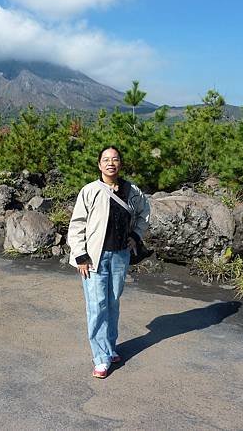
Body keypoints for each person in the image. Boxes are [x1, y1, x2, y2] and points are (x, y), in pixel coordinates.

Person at [67, 146, 150, 378]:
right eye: (106, 160)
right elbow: (76, 225)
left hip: (120, 256)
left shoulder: (132, 190)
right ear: (99, 165)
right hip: (94, 258)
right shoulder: (90, 191)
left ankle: (110, 347)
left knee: (112, 303)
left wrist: (135, 236)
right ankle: (101, 357)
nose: (110, 163)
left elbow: (145, 213)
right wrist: (80, 255)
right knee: (97, 307)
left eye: (115, 159)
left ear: (120, 163)